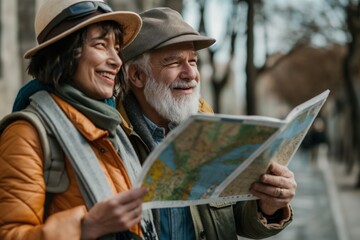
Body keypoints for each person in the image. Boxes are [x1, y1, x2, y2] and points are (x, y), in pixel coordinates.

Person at [117, 7, 297, 240]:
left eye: (193, 61)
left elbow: (237, 218)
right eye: (173, 62)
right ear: (137, 76)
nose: (191, 73)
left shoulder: (215, 135)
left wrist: (268, 206)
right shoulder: (111, 140)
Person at [0, 0, 158, 239]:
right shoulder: (26, 133)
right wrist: (85, 227)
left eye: (117, 48)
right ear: (64, 52)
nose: (116, 60)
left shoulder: (113, 129)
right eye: (101, 45)